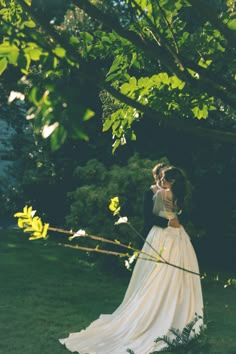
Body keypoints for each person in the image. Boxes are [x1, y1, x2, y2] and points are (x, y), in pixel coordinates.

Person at [59, 166, 203, 354]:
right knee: (157, 275)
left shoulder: (178, 194)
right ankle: (154, 311)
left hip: (178, 237)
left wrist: (175, 221)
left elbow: (181, 213)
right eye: (160, 177)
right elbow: (149, 218)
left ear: (173, 182)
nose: (160, 181)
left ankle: (177, 314)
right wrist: (168, 222)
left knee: (179, 274)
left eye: (164, 179)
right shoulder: (155, 194)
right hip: (161, 236)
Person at [142, 162, 180, 237]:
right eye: (162, 174)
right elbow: (148, 217)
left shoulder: (175, 191)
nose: (164, 176)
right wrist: (167, 222)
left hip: (175, 233)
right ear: (156, 176)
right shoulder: (150, 193)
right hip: (156, 233)